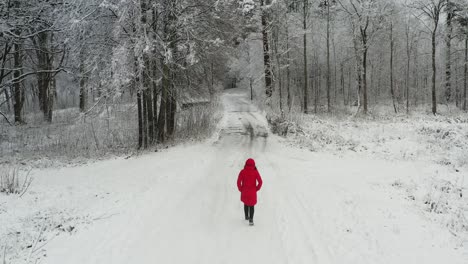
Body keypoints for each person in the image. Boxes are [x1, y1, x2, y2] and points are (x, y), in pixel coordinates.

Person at [237, 158, 263, 226]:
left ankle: (246, 216)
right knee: (252, 206)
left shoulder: (242, 171)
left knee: (245, 203)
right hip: (252, 193)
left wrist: (241, 189)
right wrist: (256, 189)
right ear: (254, 165)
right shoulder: (255, 172)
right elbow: (260, 182)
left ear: (246, 164)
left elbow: (238, 182)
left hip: (244, 192)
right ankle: (251, 220)